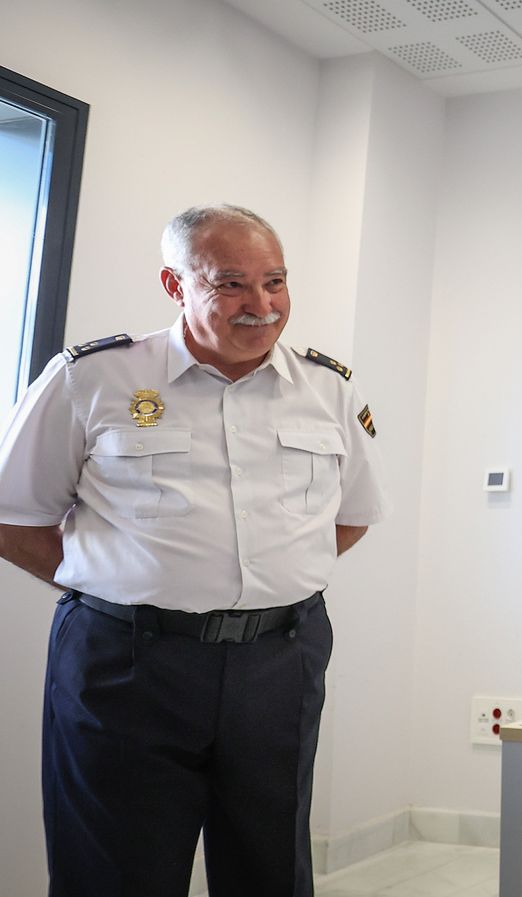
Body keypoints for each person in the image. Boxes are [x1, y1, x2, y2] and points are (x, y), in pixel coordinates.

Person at [0, 204, 386, 897]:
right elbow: (12, 519)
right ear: (175, 285)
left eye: (275, 281)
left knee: (271, 870)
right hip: (127, 665)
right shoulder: (92, 378)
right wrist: (115, 582)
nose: (261, 305)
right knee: (114, 875)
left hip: (279, 661)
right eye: (230, 284)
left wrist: (269, 580)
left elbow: (351, 517)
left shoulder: (328, 388)